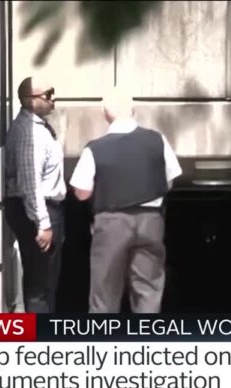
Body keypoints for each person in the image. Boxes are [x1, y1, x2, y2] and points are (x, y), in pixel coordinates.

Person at [70, 87, 182, 313]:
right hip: (151, 221)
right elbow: (169, 180)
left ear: (105, 114)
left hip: (111, 223)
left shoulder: (95, 148)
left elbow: (81, 192)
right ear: (133, 110)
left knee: (105, 292)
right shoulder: (157, 140)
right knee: (148, 289)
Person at [3, 76, 66, 313]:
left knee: (45, 281)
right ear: (30, 100)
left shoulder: (38, 126)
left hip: (43, 209)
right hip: (39, 211)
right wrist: (43, 223)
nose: (53, 98)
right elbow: (30, 182)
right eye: (48, 94)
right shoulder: (30, 132)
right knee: (41, 284)